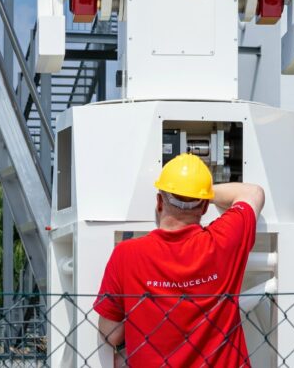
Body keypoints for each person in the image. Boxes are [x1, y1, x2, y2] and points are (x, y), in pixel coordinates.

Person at [95, 153, 265, 367]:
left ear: (159, 202)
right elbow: (253, 192)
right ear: (204, 207)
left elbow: (111, 333)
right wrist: (197, 194)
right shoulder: (224, 241)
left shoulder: (126, 254)